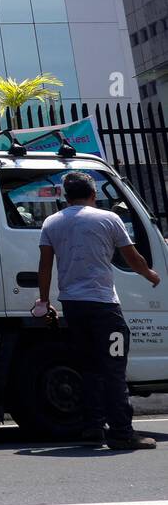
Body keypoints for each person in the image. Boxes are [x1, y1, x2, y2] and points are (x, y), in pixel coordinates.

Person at [38, 171, 160, 450]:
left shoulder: (51, 222)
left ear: (65, 197)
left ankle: (93, 428)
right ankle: (122, 432)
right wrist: (151, 275)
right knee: (114, 368)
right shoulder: (109, 218)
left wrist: (44, 303)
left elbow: (44, 266)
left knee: (89, 368)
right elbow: (133, 257)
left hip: (73, 308)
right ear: (94, 194)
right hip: (105, 308)